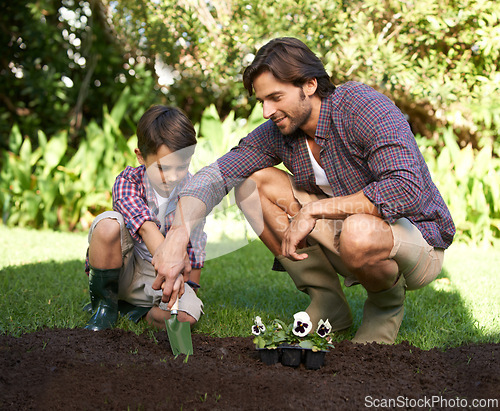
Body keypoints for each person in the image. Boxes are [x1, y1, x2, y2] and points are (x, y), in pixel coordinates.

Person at [151, 37, 455, 344]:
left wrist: (314, 209)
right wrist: (177, 237)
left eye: (276, 97)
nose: (267, 110)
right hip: (347, 232)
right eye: (262, 102)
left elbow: (404, 187)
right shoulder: (281, 132)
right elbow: (215, 175)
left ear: (309, 84)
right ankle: (328, 303)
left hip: (417, 238)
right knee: (251, 185)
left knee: (358, 231)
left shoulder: (361, 107)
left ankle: (384, 306)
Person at [84, 105, 206, 331]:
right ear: (141, 157)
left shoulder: (193, 191)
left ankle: (133, 311)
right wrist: (171, 264)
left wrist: (188, 289)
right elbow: (145, 228)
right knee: (108, 224)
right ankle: (104, 307)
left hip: (160, 279)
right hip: (123, 269)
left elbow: (195, 244)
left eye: (182, 166)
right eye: (163, 167)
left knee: (185, 319)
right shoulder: (128, 181)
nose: (172, 176)